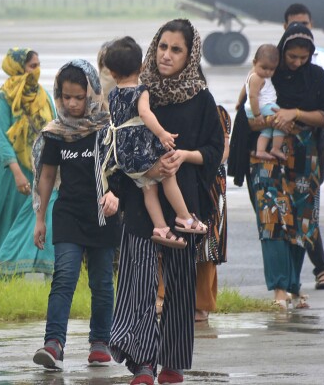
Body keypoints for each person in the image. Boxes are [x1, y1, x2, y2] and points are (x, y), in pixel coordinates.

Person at [109, 20, 224, 385]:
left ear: (190, 55)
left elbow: (215, 151)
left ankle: (171, 364)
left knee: (178, 284)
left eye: (176, 49)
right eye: (162, 47)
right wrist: (120, 183)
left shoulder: (201, 98)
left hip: (183, 203)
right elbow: (115, 143)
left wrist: (184, 156)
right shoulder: (140, 92)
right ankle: (143, 362)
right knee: (138, 283)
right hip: (141, 199)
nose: (166, 55)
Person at [30, 59, 121, 371]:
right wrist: (40, 218)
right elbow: (46, 176)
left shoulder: (108, 130)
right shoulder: (57, 133)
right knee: (65, 276)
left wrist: (115, 196)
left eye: (78, 97)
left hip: (103, 216)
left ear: (92, 93)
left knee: (101, 281)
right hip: (68, 213)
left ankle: (100, 342)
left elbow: (121, 169)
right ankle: (53, 343)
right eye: (65, 97)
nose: (71, 104)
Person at [247, 23, 324, 310]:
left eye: (303, 58)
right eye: (292, 57)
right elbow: (249, 116)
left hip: (304, 157)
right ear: (282, 51)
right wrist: (273, 120)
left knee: (301, 221)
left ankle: (295, 288)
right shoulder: (266, 73)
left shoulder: (317, 76)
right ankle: (279, 289)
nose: (297, 63)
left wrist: (294, 112)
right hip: (269, 157)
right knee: (272, 220)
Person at [100, 36, 206, 249]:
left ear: (112, 73)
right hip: (141, 151)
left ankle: (160, 228)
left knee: (148, 188)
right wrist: (162, 134)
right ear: (142, 66)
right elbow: (145, 114)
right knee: (168, 176)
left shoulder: (112, 94)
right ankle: (183, 217)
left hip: (124, 156)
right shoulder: (141, 91)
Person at [0, 47, 57, 277]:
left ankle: (51, 279)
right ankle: (1, 276)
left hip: (40, 173)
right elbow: (3, 140)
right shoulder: (3, 99)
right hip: (11, 174)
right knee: (6, 223)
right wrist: (17, 173)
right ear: (18, 67)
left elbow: (54, 128)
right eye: (32, 66)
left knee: (46, 224)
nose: (37, 70)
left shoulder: (43, 96)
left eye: (39, 65)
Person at [283, 2, 324, 290]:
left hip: (313, 149)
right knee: (289, 214)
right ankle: (300, 276)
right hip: (278, 152)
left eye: (306, 24)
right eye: (296, 24)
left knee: (307, 210)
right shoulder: (276, 62)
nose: (297, 61)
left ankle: (317, 269)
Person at [195, 104, 231, 322]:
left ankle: (202, 303)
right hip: (179, 174)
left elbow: (224, 149)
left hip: (211, 180)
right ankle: (162, 297)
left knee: (208, 244)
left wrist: (207, 161)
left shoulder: (216, 111)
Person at [238, 44, 285, 160]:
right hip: (262, 108)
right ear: (254, 63)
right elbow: (253, 96)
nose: (268, 72)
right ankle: (276, 148)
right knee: (282, 120)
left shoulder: (252, 73)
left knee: (267, 130)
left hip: (258, 108)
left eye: (272, 69)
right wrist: (257, 114)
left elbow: (244, 88)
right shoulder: (257, 78)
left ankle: (260, 150)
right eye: (264, 68)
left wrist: (239, 102)